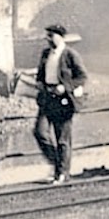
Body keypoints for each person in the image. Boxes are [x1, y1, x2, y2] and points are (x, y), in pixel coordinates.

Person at [34, 23, 89, 183]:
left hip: (63, 101)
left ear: (60, 37)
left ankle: (62, 173)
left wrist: (64, 88)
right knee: (40, 132)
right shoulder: (46, 54)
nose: (48, 39)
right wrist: (39, 83)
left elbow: (82, 77)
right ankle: (58, 164)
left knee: (62, 138)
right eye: (47, 36)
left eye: (51, 36)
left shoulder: (70, 54)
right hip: (47, 98)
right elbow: (40, 74)